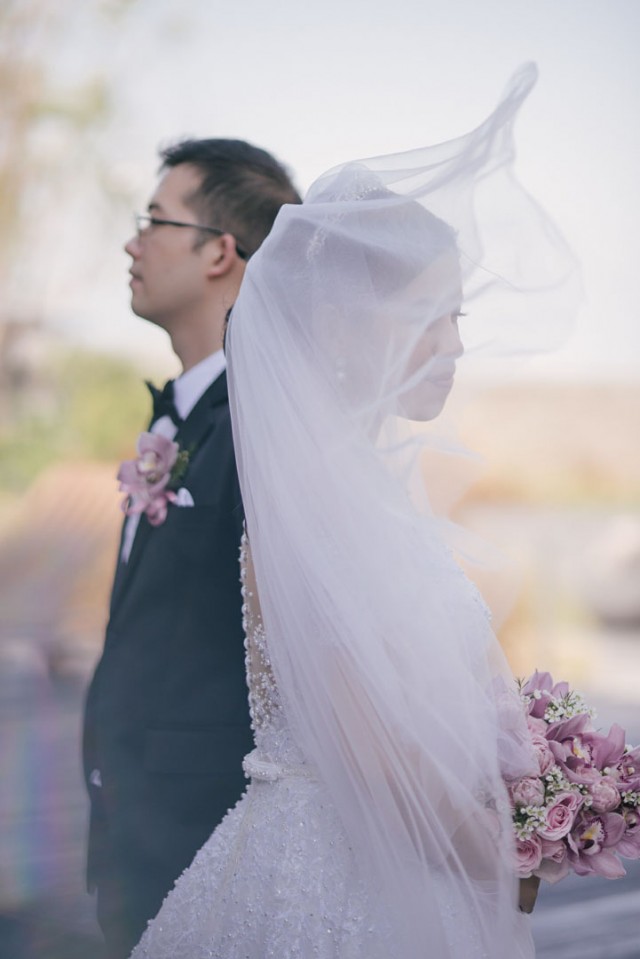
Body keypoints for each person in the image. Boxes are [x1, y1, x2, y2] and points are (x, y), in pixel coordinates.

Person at [131, 65, 578, 959]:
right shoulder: (316, 504)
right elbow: (371, 760)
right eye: (437, 315)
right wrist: (520, 847)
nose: (455, 344)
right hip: (337, 879)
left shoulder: (359, 488)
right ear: (355, 322)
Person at [82, 138, 301, 959]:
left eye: (154, 220)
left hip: (205, 836)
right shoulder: (182, 417)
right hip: (131, 829)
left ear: (219, 251)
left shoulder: (263, 423)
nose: (132, 243)